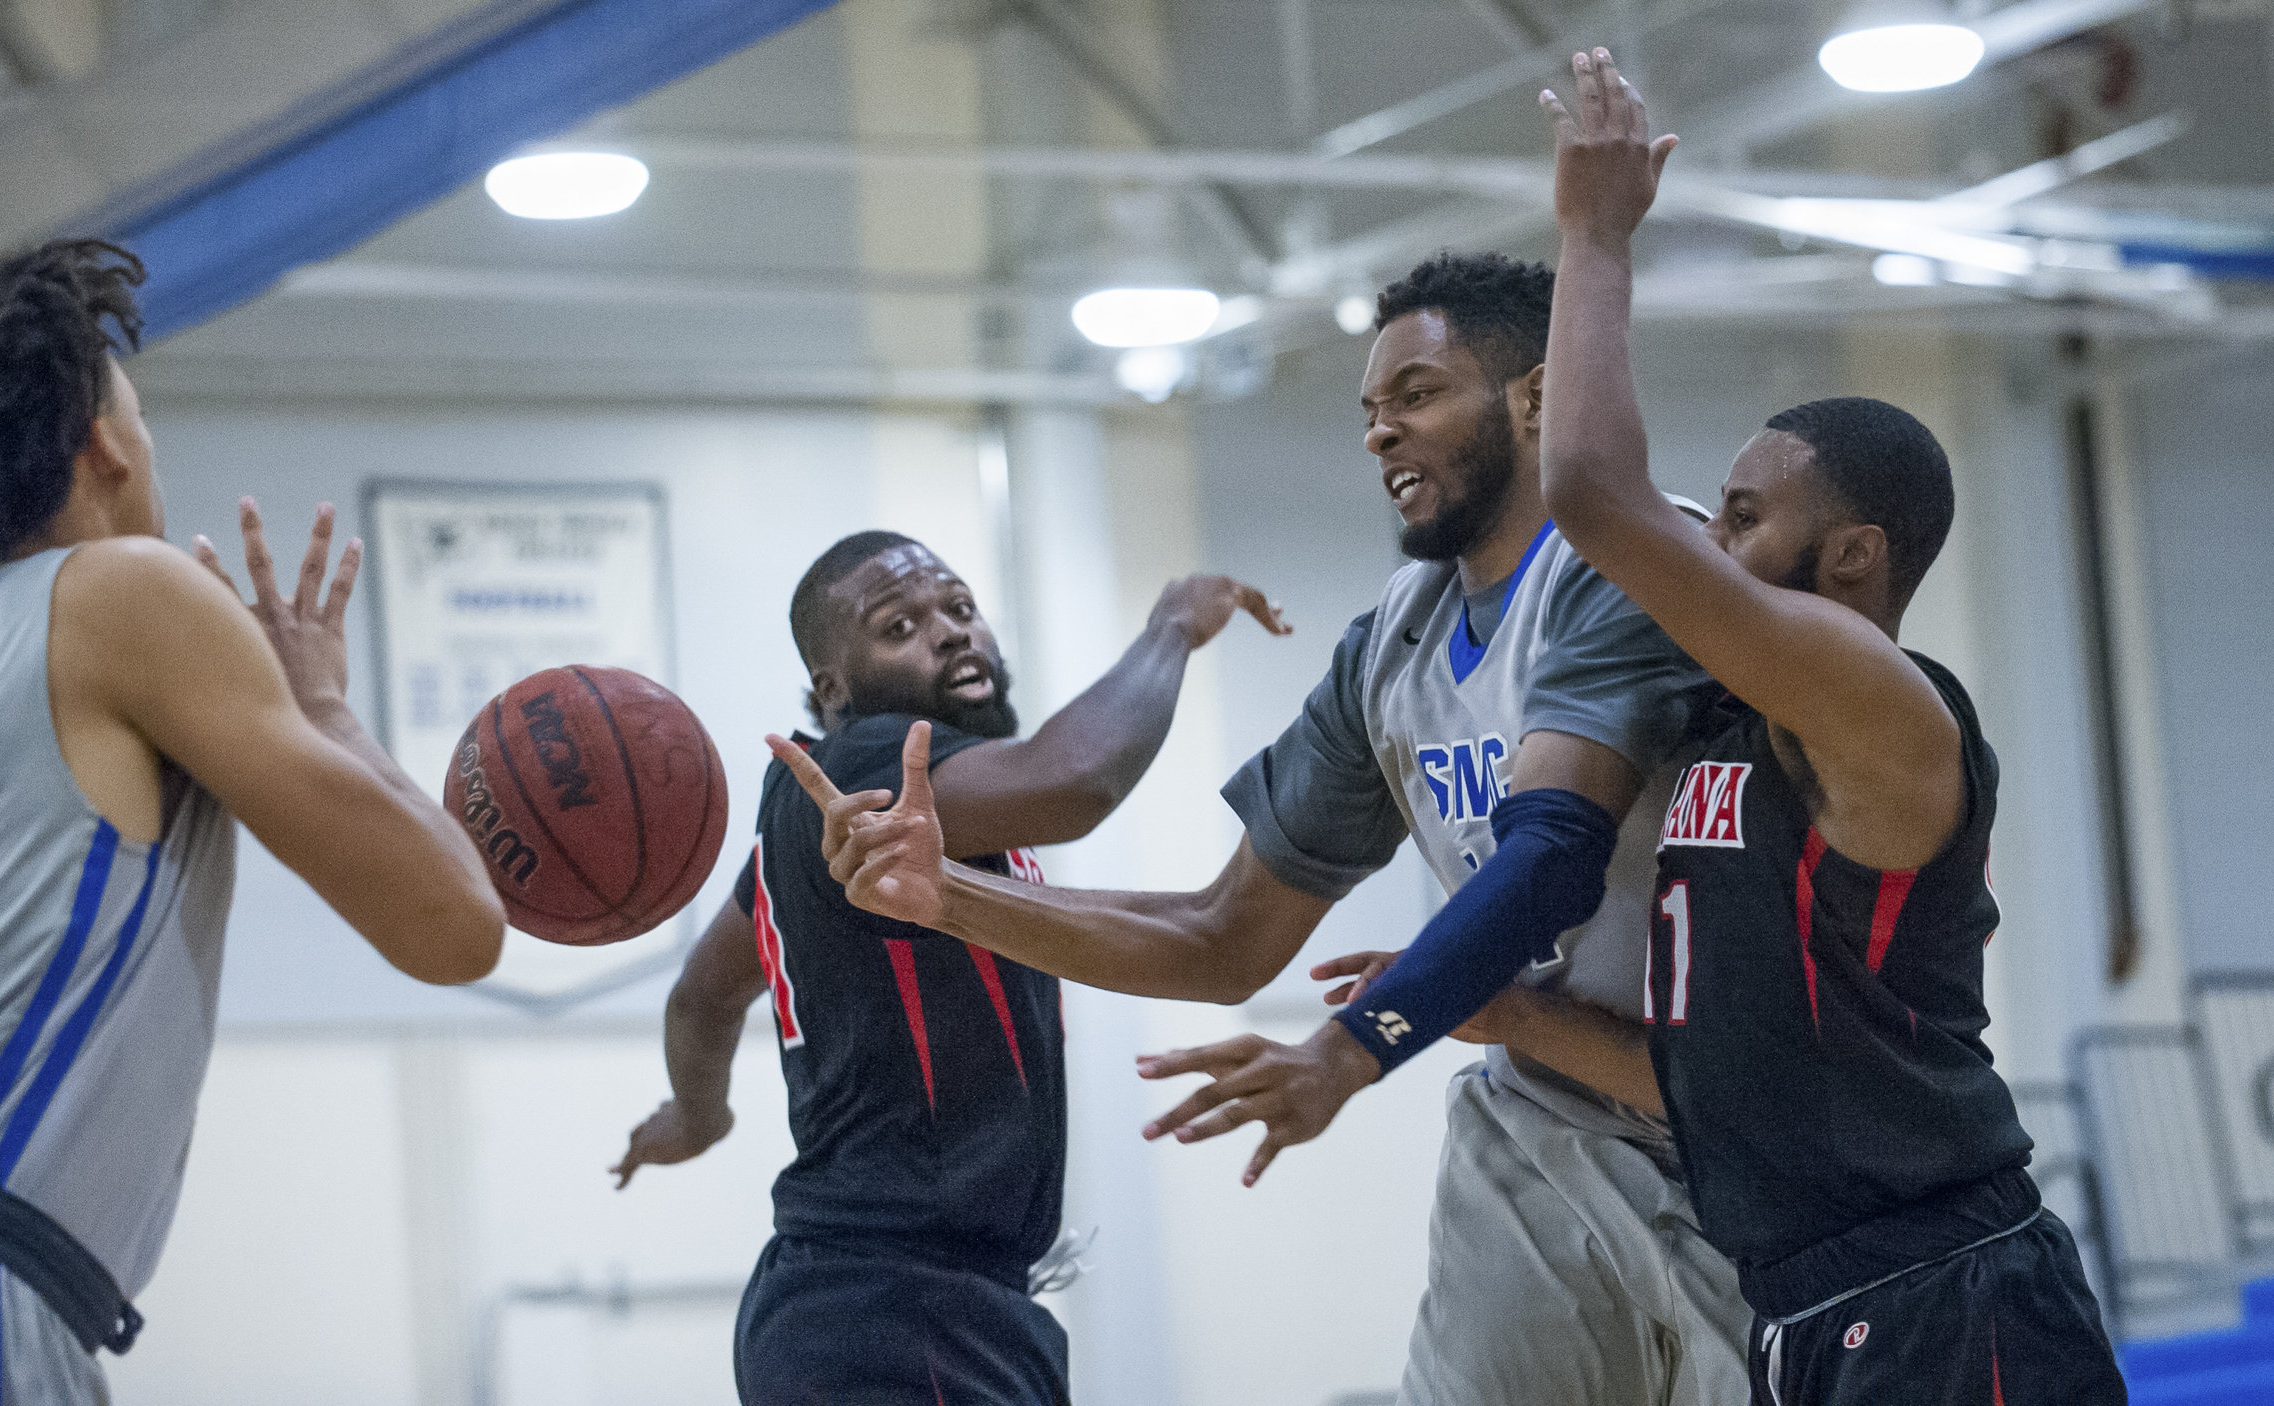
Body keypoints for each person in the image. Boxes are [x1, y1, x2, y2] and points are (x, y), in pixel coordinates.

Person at [778, 254, 1756, 1405]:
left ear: (1533, 395)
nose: (1380, 434)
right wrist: (953, 897)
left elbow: (1550, 859)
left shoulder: (1652, 565)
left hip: (1730, 1121)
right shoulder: (1390, 645)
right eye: (1369, 411)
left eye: (1418, 395)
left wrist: (1345, 1050)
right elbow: (1223, 933)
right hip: (1538, 1096)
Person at [1461, 49, 2121, 1404]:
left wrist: (1592, 238)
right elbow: (1707, 1076)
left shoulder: (1888, 702)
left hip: (1949, 1295)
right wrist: (1502, 1009)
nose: (1720, 534)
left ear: (1855, 556)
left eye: (1752, 516)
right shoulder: (1730, 729)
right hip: (1807, 1307)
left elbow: (1604, 495)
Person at [0, 240, 506, 1404]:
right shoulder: (128, 592)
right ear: (103, 440)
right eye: (141, 412)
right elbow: (454, 923)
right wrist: (319, 701)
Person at [613, 530, 1286, 1405]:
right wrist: (1170, 627)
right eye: (900, 626)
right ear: (834, 690)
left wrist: (697, 1116)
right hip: (896, 1309)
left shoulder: (855, 831)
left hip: (902, 1302)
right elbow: (1078, 779)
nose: (951, 632)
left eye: (961, 609)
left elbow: (703, 999)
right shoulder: (865, 765)